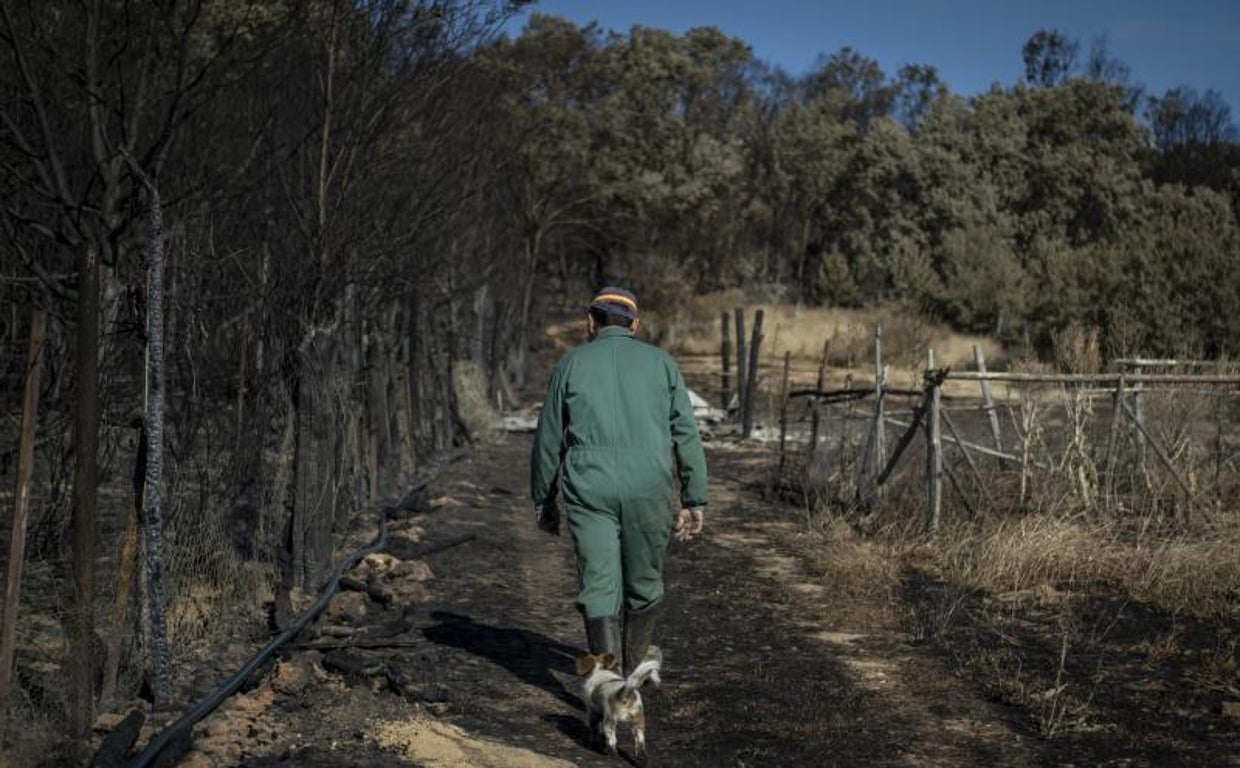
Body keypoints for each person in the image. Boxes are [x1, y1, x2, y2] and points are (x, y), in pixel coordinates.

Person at [530, 287, 708, 675]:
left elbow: (547, 439)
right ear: (635, 325)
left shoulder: (570, 364)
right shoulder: (663, 365)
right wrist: (695, 498)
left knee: (598, 585)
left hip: (589, 489)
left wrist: (544, 500)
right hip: (649, 487)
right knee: (643, 582)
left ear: (590, 322)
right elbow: (687, 434)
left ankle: (608, 683)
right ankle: (635, 665)